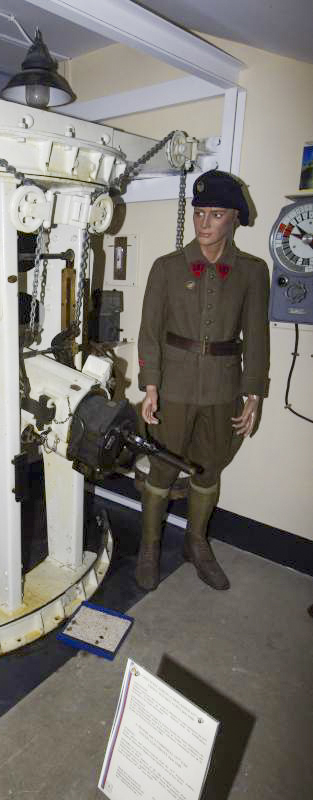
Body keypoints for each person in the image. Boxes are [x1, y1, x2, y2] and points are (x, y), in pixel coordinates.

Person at [136, 169, 269, 591]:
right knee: (161, 469)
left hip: (223, 389)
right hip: (172, 388)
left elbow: (257, 336)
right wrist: (150, 385)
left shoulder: (251, 271)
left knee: (209, 469)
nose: (204, 223)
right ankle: (150, 548)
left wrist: (254, 394)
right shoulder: (167, 268)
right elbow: (149, 332)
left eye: (215, 215)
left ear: (234, 219)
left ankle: (197, 544)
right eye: (199, 214)